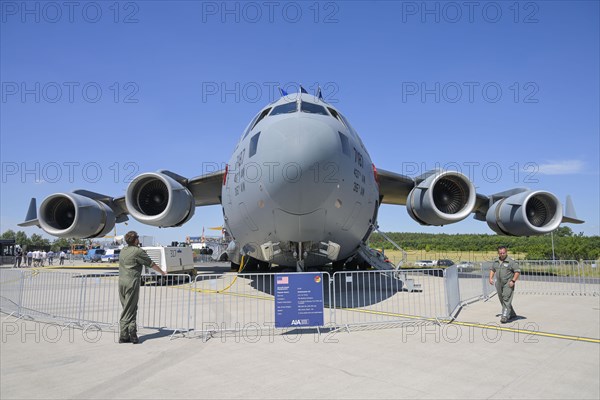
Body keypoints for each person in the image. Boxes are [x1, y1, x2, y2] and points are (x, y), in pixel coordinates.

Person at [118, 231, 166, 344]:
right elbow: (151, 263)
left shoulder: (123, 250)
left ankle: (129, 334)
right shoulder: (138, 251)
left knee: (129, 307)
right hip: (131, 282)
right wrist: (162, 272)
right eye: (137, 238)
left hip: (121, 282)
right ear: (135, 239)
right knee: (130, 308)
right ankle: (125, 334)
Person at [489, 246, 520, 323]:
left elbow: (517, 272)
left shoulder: (511, 261)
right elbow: (493, 270)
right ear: (498, 253)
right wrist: (490, 278)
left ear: (506, 252)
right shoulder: (496, 261)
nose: (502, 254)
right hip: (499, 283)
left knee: (506, 298)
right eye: (500, 253)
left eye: (504, 253)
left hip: (508, 283)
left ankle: (505, 316)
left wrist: (513, 281)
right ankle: (511, 314)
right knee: (502, 299)